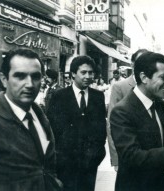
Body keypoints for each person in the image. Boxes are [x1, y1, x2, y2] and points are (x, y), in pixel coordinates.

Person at [110, 51, 164, 191]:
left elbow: (163, 134)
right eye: (163, 77)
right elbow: (132, 156)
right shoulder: (122, 111)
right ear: (144, 77)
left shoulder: (156, 103)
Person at [0, 49, 62, 191]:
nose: (30, 84)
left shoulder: (39, 114)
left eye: (36, 76)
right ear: (3, 79)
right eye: (20, 76)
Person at [47, 55, 107, 191]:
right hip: (65, 164)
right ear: (73, 74)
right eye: (83, 72)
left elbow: (101, 129)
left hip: (90, 164)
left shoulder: (98, 96)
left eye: (91, 73)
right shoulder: (59, 96)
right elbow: (52, 129)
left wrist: (97, 155)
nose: (88, 76)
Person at [107, 48, 148, 170]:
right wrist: (116, 159)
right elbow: (111, 124)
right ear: (133, 64)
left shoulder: (151, 86)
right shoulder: (120, 87)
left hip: (149, 155)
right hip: (127, 153)